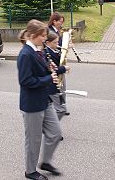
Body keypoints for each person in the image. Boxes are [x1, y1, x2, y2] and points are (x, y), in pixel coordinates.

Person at [18, 19, 62, 180]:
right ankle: (30, 171)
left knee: (55, 133)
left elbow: (43, 71)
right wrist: (48, 79)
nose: (45, 38)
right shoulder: (25, 54)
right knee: (34, 140)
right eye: (43, 35)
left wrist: (52, 71)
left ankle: (46, 162)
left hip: (45, 100)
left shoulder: (38, 50)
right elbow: (25, 81)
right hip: (32, 104)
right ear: (33, 35)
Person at [47, 12, 70, 115]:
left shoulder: (56, 30)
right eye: (60, 22)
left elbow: (58, 45)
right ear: (54, 21)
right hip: (55, 62)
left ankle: (61, 106)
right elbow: (56, 45)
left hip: (58, 61)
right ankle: (60, 107)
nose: (61, 24)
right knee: (59, 87)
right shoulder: (50, 32)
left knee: (61, 86)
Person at [44, 32, 70, 119]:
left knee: (52, 107)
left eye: (57, 42)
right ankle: (50, 126)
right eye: (55, 42)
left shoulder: (55, 50)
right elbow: (52, 70)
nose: (57, 44)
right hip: (52, 85)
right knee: (61, 109)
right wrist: (64, 68)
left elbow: (60, 61)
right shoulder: (47, 53)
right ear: (47, 43)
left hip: (57, 83)